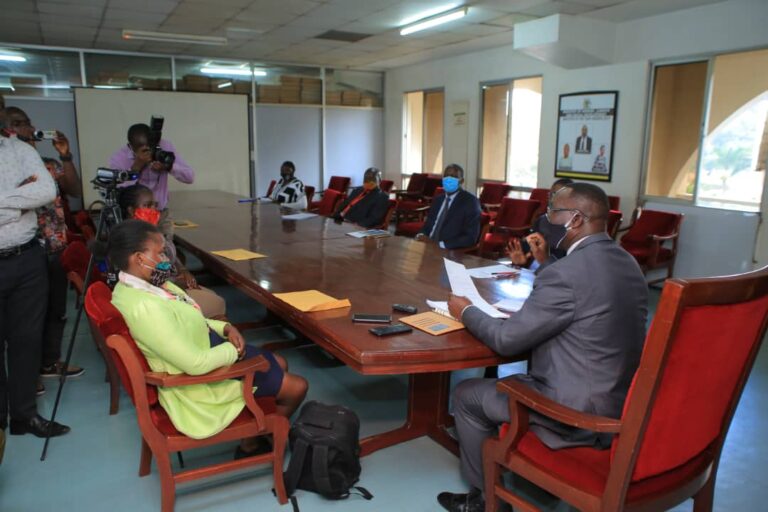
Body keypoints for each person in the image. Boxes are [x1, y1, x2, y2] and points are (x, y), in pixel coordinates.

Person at [437, 183, 648, 512]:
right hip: (620, 400)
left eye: (553, 212)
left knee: (468, 396)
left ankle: (484, 501)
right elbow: (586, 297)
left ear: (575, 219)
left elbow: (507, 342)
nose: (546, 218)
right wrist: (546, 263)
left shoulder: (567, 274)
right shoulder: (627, 263)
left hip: (574, 413)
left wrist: (465, 311)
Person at [108, 220, 308, 455]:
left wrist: (224, 328)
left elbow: (188, 315)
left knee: (280, 363)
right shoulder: (145, 306)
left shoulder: (145, 285)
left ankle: (255, 438)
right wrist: (235, 351)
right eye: (160, 252)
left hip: (206, 347)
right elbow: (195, 364)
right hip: (197, 386)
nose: (165, 258)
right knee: (298, 386)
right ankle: (260, 439)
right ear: (139, 258)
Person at [6, 106, 85, 393]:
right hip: (25, 249)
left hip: (55, 248)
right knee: (26, 319)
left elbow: (75, 190)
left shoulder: (48, 163)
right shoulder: (7, 166)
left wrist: (65, 155)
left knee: (56, 310)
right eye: (16, 124)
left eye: (26, 123)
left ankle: (49, 362)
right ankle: (28, 376)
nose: (24, 128)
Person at [0, 117, 70, 437]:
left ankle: (24, 416)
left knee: (27, 341)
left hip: (27, 258)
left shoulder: (18, 150)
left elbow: (45, 191)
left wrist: (3, 203)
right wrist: (18, 201)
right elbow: (30, 198)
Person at [118, 184, 227, 319]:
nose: (154, 210)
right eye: (147, 205)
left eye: (155, 205)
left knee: (212, 295)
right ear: (131, 210)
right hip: (159, 295)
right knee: (217, 303)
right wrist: (176, 284)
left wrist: (182, 270)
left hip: (170, 284)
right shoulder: (134, 239)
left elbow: (170, 257)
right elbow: (151, 280)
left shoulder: (150, 230)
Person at [108, 123, 194, 239]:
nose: (149, 153)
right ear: (131, 147)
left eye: (151, 147)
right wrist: (136, 167)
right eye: (143, 150)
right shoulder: (119, 158)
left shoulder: (165, 147)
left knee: (166, 251)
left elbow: (189, 177)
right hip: (134, 218)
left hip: (160, 215)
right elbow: (118, 191)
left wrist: (169, 167)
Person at [507, 178, 573, 272]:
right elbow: (529, 255)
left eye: (561, 196)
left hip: (555, 278)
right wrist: (521, 262)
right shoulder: (542, 220)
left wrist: (545, 260)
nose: (555, 199)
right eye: (553, 194)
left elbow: (567, 273)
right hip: (534, 275)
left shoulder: (574, 229)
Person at [415, 164, 481, 249]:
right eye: (446, 176)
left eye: (453, 176)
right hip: (426, 248)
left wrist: (440, 245)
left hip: (448, 251)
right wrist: (421, 235)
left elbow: (470, 237)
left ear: (461, 181)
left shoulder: (470, 202)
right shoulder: (438, 199)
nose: (449, 179)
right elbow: (428, 225)